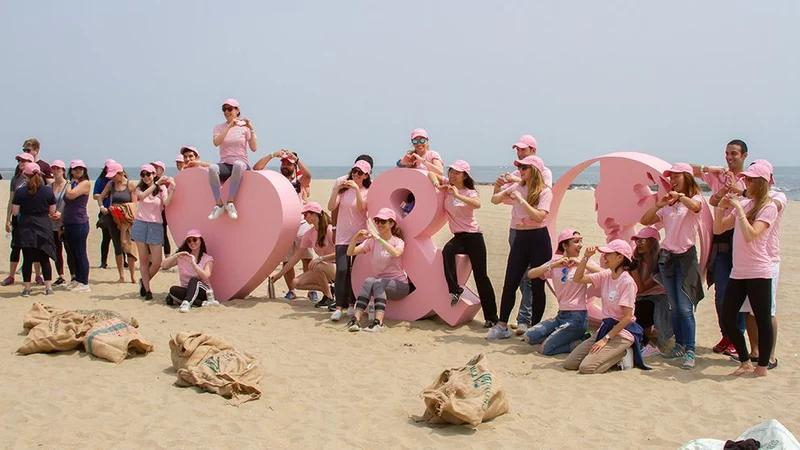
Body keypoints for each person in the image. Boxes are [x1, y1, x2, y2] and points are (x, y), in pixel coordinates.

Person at [715, 163, 777, 377]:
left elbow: (752, 235)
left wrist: (739, 209)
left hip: (759, 270)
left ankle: (761, 367)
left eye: (750, 180)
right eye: (746, 179)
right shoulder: (745, 203)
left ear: (760, 183)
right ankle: (744, 361)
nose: (746, 183)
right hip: (739, 271)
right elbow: (719, 228)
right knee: (727, 318)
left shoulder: (769, 207)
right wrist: (721, 207)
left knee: (762, 318)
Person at [640, 163, 704, 369]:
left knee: (685, 308)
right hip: (667, 258)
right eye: (671, 177)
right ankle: (679, 345)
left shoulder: (694, 198)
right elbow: (645, 220)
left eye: (677, 176)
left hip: (686, 259)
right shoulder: (668, 204)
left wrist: (680, 197)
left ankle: (690, 350)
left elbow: (697, 208)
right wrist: (661, 204)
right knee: (674, 306)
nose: (673, 180)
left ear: (686, 177)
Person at [690, 139, 748, 356]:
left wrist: (739, 191)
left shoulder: (751, 178)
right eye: (727, 153)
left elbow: (761, 199)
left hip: (741, 239)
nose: (730, 157)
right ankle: (727, 335)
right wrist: (709, 169)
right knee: (721, 292)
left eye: (734, 154)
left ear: (744, 156)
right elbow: (687, 169)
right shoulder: (719, 175)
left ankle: (736, 337)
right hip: (720, 239)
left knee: (738, 292)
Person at [487, 155, 553, 340]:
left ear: (535, 171)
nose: (521, 171)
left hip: (539, 239)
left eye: (525, 168)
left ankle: (535, 328)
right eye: (520, 168)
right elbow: (494, 200)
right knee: (511, 282)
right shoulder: (518, 186)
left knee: (537, 284)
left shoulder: (544, 191)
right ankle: (502, 326)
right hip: (521, 239)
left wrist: (522, 201)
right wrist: (499, 187)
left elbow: (540, 217)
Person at [564, 240, 648, 374]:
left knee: (586, 368)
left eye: (608, 254)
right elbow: (578, 279)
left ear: (620, 257)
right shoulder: (606, 275)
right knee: (570, 363)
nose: (604, 257)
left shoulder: (627, 283)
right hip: (606, 328)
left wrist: (605, 339)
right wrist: (585, 257)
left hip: (623, 332)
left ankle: (624, 353)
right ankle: (610, 353)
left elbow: (627, 317)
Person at [432, 160, 498, 328]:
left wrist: (457, 195)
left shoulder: (469, 192)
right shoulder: (447, 185)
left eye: (457, 173)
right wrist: (436, 185)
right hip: (459, 237)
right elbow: (430, 173)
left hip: (474, 236)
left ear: (465, 176)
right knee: (447, 251)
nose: (452, 175)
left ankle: (492, 317)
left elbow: (478, 204)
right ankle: (455, 290)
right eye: (451, 171)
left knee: (481, 276)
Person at [524, 229, 600, 355]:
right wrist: (553, 265)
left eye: (581, 241)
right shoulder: (556, 263)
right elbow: (531, 274)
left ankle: (580, 342)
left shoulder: (584, 262)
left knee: (545, 349)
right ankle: (564, 336)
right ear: (565, 245)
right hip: (561, 316)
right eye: (576, 242)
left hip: (577, 318)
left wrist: (582, 262)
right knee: (529, 337)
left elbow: (604, 274)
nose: (580, 245)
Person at [740, 160, 784, 370]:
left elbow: (769, 209)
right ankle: (755, 350)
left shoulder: (777, 198)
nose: (747, 181)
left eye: (751, 178)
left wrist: (745, 202)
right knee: (749, 311)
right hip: (748, 262)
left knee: (767, 312)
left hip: (769, 260)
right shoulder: (749, 200)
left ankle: (771, 355)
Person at [254, 149, 315, 299]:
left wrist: (297, 159)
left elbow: (308, 175)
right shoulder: (276, 180)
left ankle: (311, 289)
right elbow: (256, 169)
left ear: (294, 166)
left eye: (289, 164)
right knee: (287, 259)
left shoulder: (299, 182)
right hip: (283, 226)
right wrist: (272, 155)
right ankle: (291, 290)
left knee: (307, 258)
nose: (285, 166)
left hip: (301, 223)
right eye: (284, 163)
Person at [345, 208, 409, 332]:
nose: (379, 224)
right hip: (380, 283)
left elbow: (396, 253)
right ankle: (356, 320)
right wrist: (356, 237)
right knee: (369, 281)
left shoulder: (397, 241)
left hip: (400, 285)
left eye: (383, 222)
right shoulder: (372, 241)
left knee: (377, 283)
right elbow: (350, 252)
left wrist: (379, 239)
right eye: (377, 221)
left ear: (391, 224)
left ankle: (378, 323)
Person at [327, 160, 371, 321]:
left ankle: (353, 304)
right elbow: (331, 207)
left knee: (356, 271)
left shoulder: (367, 190)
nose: (356, 175)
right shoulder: (343, 191)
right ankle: (339, 306)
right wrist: (337, 189)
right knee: (342, 270)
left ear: (366, 175)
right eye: (354, 171)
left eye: (360, 173)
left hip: (359, 236)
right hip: (342, 236)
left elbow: (362, 208)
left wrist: (357, 189)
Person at [271, 202, 336, 307]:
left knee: (316, 265)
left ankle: (329, 297)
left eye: (306, 215)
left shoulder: (329, 230)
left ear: (314, 214)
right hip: (323, 267)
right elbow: (296, 257)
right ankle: (330, 290)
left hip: (336, 268)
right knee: (296, 283)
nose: (304, 218)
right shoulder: (309, 234)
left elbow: (341, 253)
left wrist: (321, 258)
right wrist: (279, 275)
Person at [11, 163, 57, 296]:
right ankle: (48, 288)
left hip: (26, 226)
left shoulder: (21, 191)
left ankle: (27, 288)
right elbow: (52, 210)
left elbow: (15, 212)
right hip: (43, 225)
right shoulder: (48, 191)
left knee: (28, 259)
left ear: (25, 176)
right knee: (44, 258)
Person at [208, 98, 257, 220]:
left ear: (237, 110)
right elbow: (216, 142)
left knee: (238, 164)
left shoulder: (244, 128)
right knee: (212, 168)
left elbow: (254, 148)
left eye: (229, 109)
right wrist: (229, 126)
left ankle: (230, 202)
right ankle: (219, 204)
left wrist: (251, 128)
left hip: (241, 164)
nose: (226, 112)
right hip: (226, 164)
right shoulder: (219, 127)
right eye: (224, 109)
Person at [132, 164, 175, 300]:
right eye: (143, 174)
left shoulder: (161, 189)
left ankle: (144, 282)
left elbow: (166, 203)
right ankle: (148, 290)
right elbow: (142, 196)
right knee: (144, 261)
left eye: (149, 174)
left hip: (156, 225)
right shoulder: (139, 188)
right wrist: (156, 184)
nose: (146, 177)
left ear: (154, 174)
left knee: (157, 261)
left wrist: (172, 189)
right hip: (140, 225)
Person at [629, 227, 673, 356]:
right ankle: (646, 339)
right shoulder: (637, 260)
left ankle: (649, 342)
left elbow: (642, 288)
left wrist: (634, 270)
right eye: (638, 241)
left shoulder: (660, 262)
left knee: (645, 308)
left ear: (653, 242)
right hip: (640, 296)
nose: (639, 243)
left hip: (657, 296)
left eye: (643, 240)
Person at [3, 153, 40, 286]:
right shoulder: (15, 179)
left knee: (35, 247)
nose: (21, 163)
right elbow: (11, 200)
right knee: (16, 247)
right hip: (18, 218)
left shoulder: (37, 179)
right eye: (20, 161)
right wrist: (8, 219)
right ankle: (11, 276)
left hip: (33, 219)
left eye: (24, 161)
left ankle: (38, 275)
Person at [97, 162, 138, 283]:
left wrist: (123, 208)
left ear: (121, 173)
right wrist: (102, 207)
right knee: (117, 247)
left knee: (129, 247)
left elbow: (135, 205)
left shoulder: (130, 185)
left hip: (127, 220)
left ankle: (132, 275)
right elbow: (100, 197)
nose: (113, 178)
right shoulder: (110, 184)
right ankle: (121, 275)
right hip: (113, 218)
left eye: (114, 175)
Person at [161, 229, 216, 312]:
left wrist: (194, 263)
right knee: (173, 290)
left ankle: (186, 303)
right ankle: (203, 303)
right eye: (189, 241)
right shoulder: (183, 256)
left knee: (194, 280)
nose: (192, 243)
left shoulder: (207, 258)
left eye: (195, 239)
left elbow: (206, 276)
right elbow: (163, 265)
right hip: (188, 291)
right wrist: (176, 255)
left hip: (203, 290)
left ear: (200, 240)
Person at [61, 160, 92, 292]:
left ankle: (84, 282)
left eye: (81, 169)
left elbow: (70, 195)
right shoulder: (73, 183)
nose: (78, 171)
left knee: (80, 252)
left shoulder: (85, 183)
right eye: (75, 169)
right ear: (71, 170)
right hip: (69, 222)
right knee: (72, 253)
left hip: (79, 222)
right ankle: (77, 279)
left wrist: (67, 183)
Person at [93, 159, 116, 270]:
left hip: (117, 212)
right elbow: (95, 195)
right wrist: (104, 196)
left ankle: (124, 261)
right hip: (105, 211)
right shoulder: (100, 180)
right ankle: (103, 261)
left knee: (121, 238)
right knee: (106, 238)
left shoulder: (119, 180)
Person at [49, 160, 68, 286]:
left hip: (66, 221)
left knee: (70, 248)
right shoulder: (49, 187)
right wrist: (49, 214)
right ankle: (61, 275)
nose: (56, 171)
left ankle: (74, 275)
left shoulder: (69, 185)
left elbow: (72, 203)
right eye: (54, 168)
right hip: (51, 222)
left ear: (63, 170)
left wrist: (62, 213)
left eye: (58, 168)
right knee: (56, 249)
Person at [151, 160, 172, 257]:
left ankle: (167, 257)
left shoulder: (166, 181)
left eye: (156, 167)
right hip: (151, 212)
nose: (154, 169)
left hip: (163, 212)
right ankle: (152, 259)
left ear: (162, 170)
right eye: (153, 167)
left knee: (163, 234)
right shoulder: (150, 181)